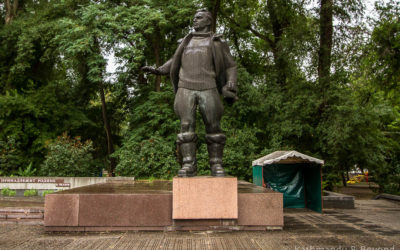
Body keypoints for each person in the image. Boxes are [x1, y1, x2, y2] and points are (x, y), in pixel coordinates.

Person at [142, 8, 237, 177]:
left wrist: (230, 82)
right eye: (194, 18)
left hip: (209, 87)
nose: (195, 20)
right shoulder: (185, 41)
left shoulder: (217, 42)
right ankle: (188, 165)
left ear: (208, 21)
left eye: (199, 18)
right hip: (185, 88)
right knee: (186, 126)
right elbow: (174, 61)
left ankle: (216, 165)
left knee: (214, 127)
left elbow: (231, 65)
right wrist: (159, 70)